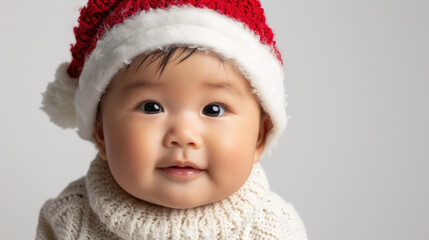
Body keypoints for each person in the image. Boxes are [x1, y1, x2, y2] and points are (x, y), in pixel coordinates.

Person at [36, 0, 308, 239]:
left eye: (214, 109)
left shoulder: (275, 229)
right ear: (101, 132)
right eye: (151, 107)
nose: (184, 134)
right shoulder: (68, 220)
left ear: (260, 136)